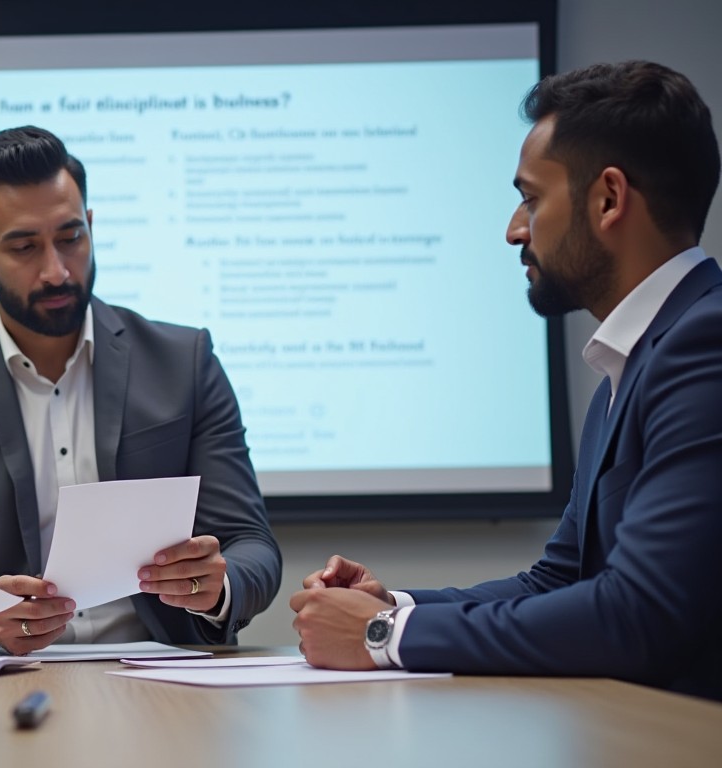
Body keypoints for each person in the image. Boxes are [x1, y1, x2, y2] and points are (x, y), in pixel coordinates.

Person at [290, 61, 722, 701]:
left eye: (531, 197)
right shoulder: (628, 367)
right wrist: (393, 604)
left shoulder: (702, 344)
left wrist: (384, 636)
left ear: (608, 199)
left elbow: (639, 614)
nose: (514, 229)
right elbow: (560, 580)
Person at [0, 125, 281, 657]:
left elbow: (252, 545)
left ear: (90, 226)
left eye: (71, 238)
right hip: (7, 682)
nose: (56, 270)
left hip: (164, 678)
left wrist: (217, 587)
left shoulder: (183, 362)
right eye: (24, 247)